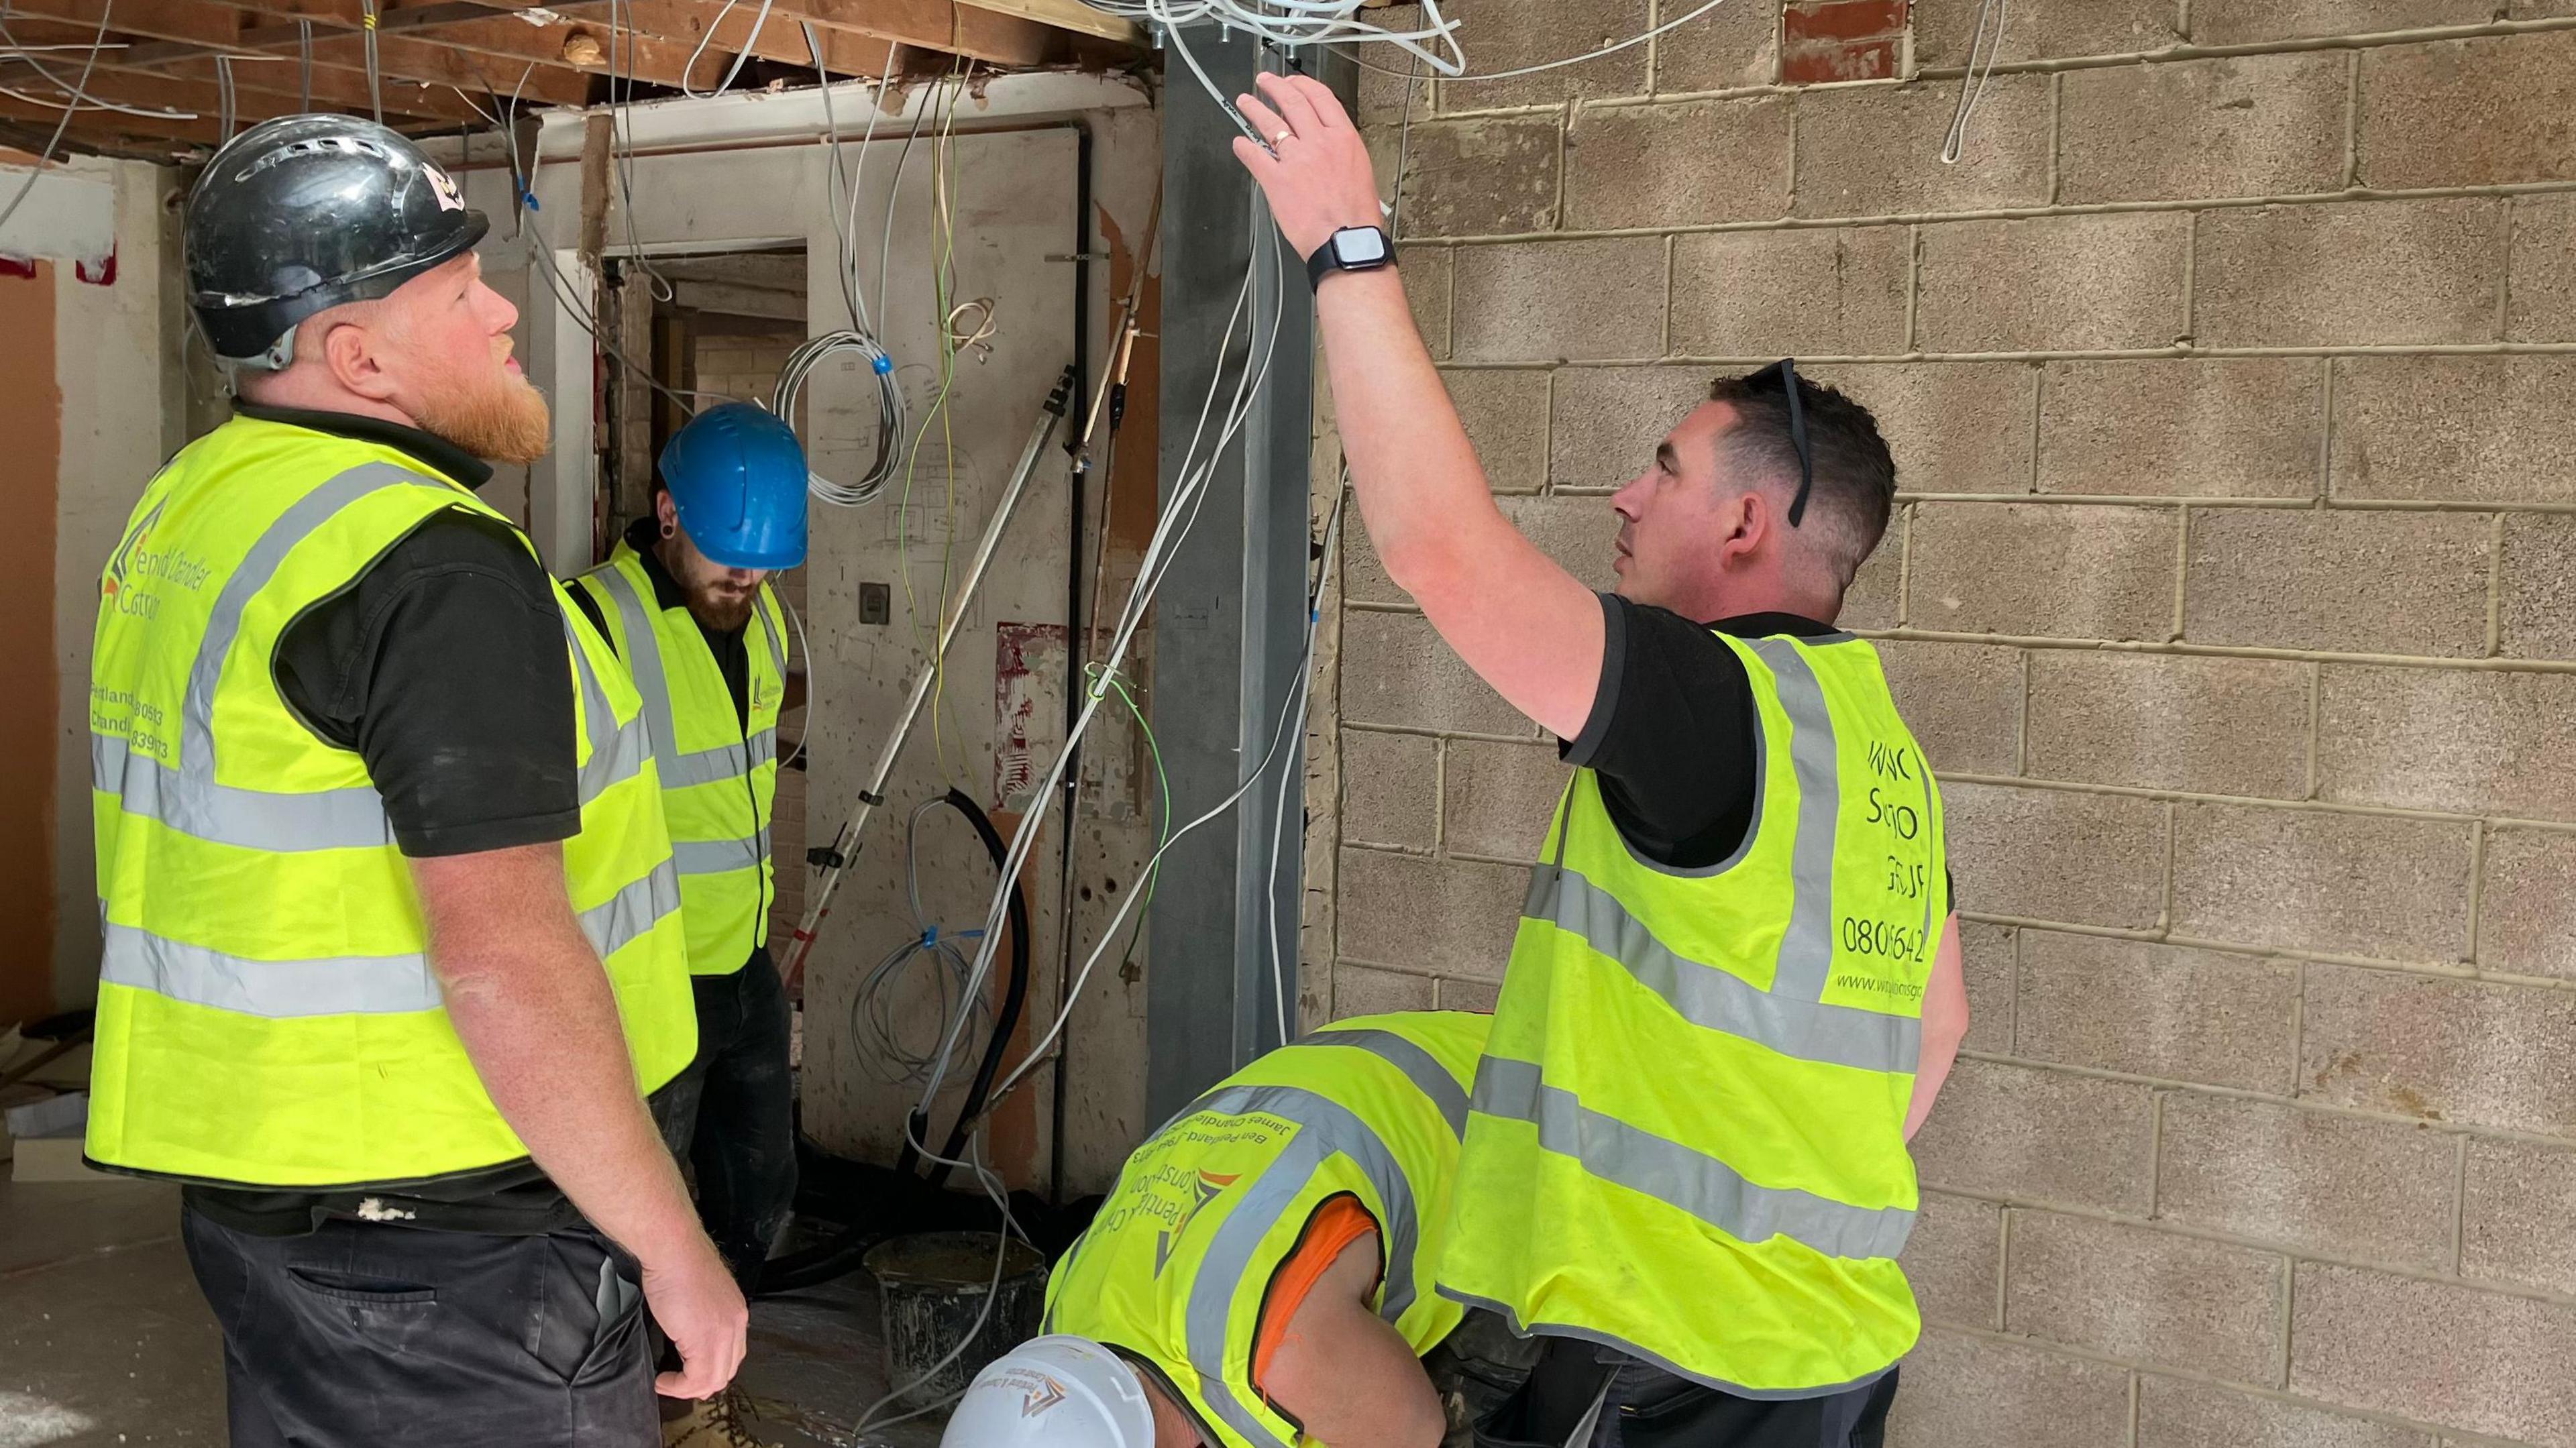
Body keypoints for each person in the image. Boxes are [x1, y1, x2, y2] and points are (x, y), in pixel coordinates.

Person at [1224, 76, 1973, 1448]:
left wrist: (1346, 243)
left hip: (1667, 1368)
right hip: (1826, 1360)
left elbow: (1444, 554)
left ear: (1747, 519)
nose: (1627, 495)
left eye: (1664, 467)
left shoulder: (1721, 705)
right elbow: (1939, 1023)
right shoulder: (1880, 755)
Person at [85, 114, 746, 1448]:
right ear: (357, 355)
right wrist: (672, 1239)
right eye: (461, 293)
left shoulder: (196, 506)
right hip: (455, 1255)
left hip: (280, 1204)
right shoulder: (429, 564)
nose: (506, 313)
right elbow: (502, 954)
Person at [567, 404, 804, 1446]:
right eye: (727, 555)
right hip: (640, 988)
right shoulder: (589, 622)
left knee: (759, 1198)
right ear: (667, 512)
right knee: (626, 1230)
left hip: (741, 973)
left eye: (764, 561)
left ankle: (693, 1383)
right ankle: (627, 1412)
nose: (745, 579)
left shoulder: (769, 619)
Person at [943, 1011, 1491, 1448]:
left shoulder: (1279, 1356)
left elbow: (1414, 1430)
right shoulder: (1067, 1318)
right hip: (1360, 1072)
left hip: (1517, 1119)